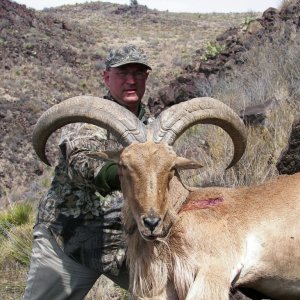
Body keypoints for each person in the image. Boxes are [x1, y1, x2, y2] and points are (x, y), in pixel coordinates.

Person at [24, 44, 152, 300]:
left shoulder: (152, 127)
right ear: (106, 77)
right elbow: (82, 161)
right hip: (69, 237)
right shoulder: (90, 116)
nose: (131, 80)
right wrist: (121, 173)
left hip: (126, 241)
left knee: (175, 292)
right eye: (122, 73)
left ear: (146, 78)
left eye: (139, 73)